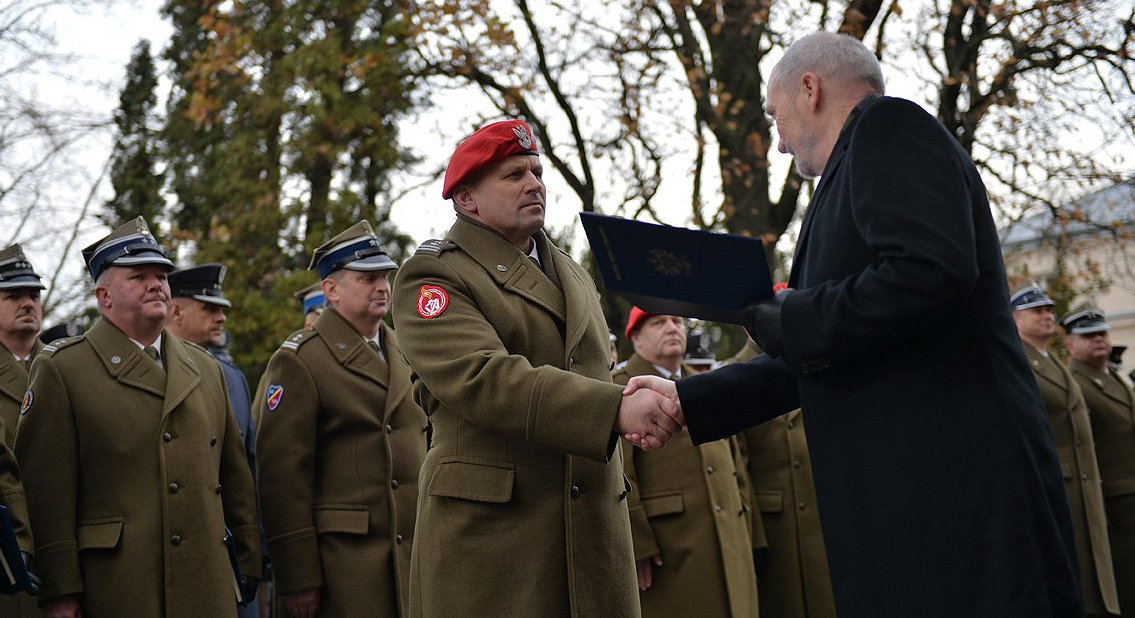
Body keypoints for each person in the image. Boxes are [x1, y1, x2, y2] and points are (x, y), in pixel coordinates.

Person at [625, 32, 1080, 616]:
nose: (779, 142)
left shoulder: (890, 129)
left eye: (774, 115)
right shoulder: (851, 169)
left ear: (809, 89)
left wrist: (787, 314)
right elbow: (833, 350)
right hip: (913, 507)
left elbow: (930, 272)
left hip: (957, 499)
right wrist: (689, 399)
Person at [390, 119, 681, 617]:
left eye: (538, 172)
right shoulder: (435, 275)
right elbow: (484, 379)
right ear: (466, 199)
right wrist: (616, 407)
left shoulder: (569, 271)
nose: (534, 184)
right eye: (513, 175)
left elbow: (593, 372)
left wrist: (639, 396)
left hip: (591, 527)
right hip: (498, 539)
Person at [15, 217, 262, 618]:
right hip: (118, 585)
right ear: (104, 296)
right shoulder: (64, 368)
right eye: (139, 276)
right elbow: (45, 493)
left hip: (207, 583)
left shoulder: (206, 368)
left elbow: (233, 475)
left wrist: (248, 557)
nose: (157, 285)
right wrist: (59, 589)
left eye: (162, 275)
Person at [256, 221, 427, 618]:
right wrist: (298, 577)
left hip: (408, 553)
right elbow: (281, 480)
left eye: (384, 275)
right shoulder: (301, 360)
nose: (383, 286)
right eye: (367, 278)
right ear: (331, 290)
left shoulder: (403, 348)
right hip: (344, 564)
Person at [615, 308, 757, 617]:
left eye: (677, 321)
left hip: (727, 536)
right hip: (670, 546)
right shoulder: (622, 386)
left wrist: (747, 527)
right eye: (658, 322)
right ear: (635, 338)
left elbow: (735, 460)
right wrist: (636, 546)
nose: (672, 328)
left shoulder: (705, 383)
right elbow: (617, 472)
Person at [1012, 287, 1119, 617]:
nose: (1047, 316)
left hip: (1083, 485)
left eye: (1048, 310)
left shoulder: (1050, 360)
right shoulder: (1018, 361)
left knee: (1095, 582)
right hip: (1056, 484)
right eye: (1036, 311)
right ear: (1014, 319)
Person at [167, 263, 264, 618]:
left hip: (231, 553)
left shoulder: (232, 378)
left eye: (222, 309)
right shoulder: (155, 372)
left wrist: (257, 551)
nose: (221, 317)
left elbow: (248, 470)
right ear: (175, 310)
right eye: (209, 308)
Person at [727, 337, 836, 618]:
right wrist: (754, 537)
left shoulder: (810, 361)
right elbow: (738, 465)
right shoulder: (731, 373)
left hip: (819, 517)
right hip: (773, 523)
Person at [1063, 307, 1135, 616]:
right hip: (1112, 501)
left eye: (1102, 333)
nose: (1099, 340)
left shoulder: (1112, 378)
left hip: (1128, 497)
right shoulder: (1074, 383)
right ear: (1069, 344)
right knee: (1124, 585)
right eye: (1088, 336)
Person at [0, 243, 44, 617]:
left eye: (34, 294)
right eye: (14, 295)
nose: (28, 302)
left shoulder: (65, 364)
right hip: (11, 555)